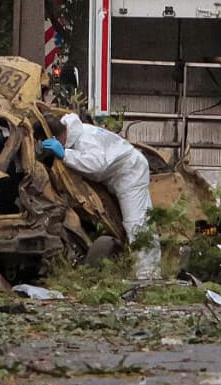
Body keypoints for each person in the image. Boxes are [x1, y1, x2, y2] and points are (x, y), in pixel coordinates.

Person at [41, 113, 161, 280]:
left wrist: (66, 155)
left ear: (58, 136)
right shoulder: (78, 133)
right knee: (137, 222)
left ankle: (148, 274)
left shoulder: (85, 139)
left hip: (130, 174)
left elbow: (96, 164)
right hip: (121, 175)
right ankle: (144, 269)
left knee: (136, 223)